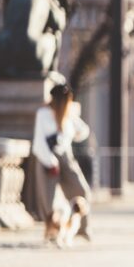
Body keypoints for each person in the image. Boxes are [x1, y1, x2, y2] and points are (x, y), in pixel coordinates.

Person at [31, 83, 92, 247]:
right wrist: (51, 162)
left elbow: (84, 130)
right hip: (47, 158)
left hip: (66, 156)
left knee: (80, 189)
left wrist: (72, 117)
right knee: (48, 199)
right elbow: (38, 143)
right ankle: (52, 232)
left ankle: (81, 228)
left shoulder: (68, 115)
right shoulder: (43, 114)